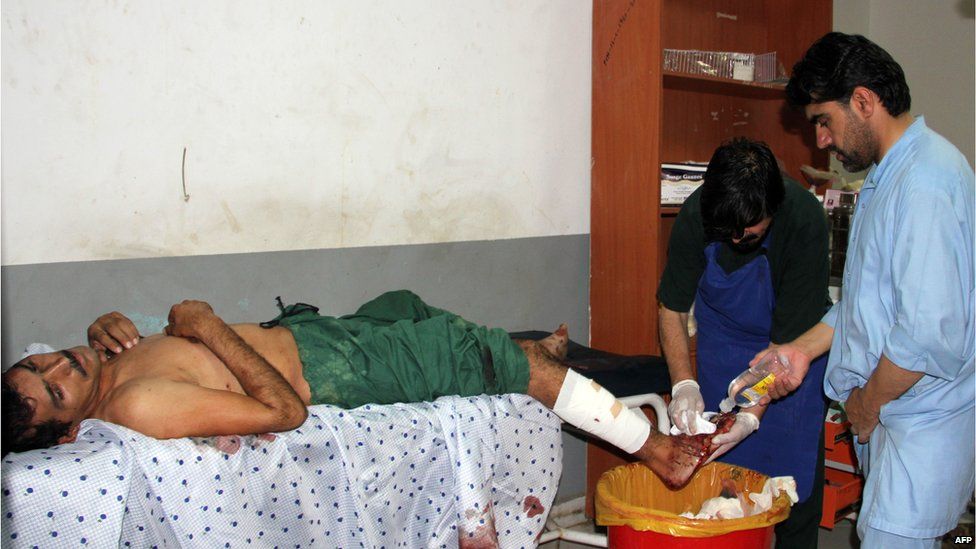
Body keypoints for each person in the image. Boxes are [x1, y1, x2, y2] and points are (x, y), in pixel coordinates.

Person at [2, 289, 723, 490]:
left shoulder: (103, 360)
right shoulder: (131, 405)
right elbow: (282, 411)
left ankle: (516, 350)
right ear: (65, 432)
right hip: (332, 373)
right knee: (494, 360)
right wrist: (204, 323)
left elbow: (124, 355)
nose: (57, 367)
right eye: (53, 391)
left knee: (415, 308)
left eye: (42, 365)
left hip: (323, 333)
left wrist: (132, 327)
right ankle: (657, 449)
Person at [759, 32, 974, 548]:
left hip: (917, 428)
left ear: (863, 100)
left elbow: (925, 336)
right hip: (895, 421)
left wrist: (865, 406)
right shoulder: (888, 179)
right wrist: (800, 350)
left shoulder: (925, 184)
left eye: (823, 122)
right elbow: (868, 303)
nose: (822, 142)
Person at [657, 137, 831, 548]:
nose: (737, 241)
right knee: (722, 492)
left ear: (772, 210)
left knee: (791, 489)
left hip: (791, 357)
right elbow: (672, 309)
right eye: (728, 233)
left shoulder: (803, 219)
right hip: (723, 351)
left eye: (749, 234)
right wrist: (684, 384)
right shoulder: (697, 211)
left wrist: (750, 415)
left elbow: (786, 353)